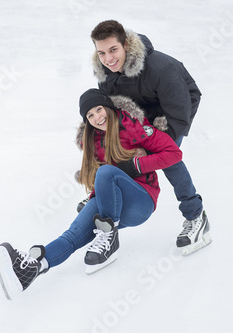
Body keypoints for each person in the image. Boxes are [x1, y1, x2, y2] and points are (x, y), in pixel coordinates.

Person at [0, 89, 183, 299]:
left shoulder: (135, 128)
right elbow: (101, 180)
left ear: (109, 108)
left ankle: (109, 235)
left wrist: (136, 165)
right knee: (73, 234)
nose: (96, 118)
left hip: (142, 200)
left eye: (99, 110)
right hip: (114, 206)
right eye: (90, 116)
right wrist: (95, 199)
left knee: (107, 171)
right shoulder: (93, 142)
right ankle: (31, 268)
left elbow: (174, 154)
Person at [87, 19, 211, 255]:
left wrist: (153, 145)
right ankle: (102, 198)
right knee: (114, 146)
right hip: (140, 113)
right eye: (101, 52)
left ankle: (196, 216)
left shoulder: (161, 68)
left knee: (168, 159)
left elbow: (179, 111)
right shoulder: (106, 72)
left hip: (173, 110)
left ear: (125, 44)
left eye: (113, 50)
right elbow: (112, 111)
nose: (108, 58)